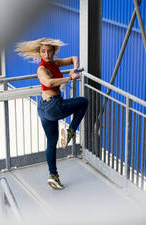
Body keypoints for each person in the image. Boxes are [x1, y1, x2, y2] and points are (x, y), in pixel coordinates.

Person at [15, 38, 88, 190]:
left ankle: (53, 176)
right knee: (83, 102)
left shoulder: (55, 63)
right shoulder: (41, 69)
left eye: (49, 51)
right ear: (39, 53)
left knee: (52, 141)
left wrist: (74, 69)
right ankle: (71, 131)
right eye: (43, 51)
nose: (46, 54)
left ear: (54, 52)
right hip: (53, 106)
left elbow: (74, 58)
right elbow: (48, 83)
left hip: (44, 108)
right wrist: (69, 77)